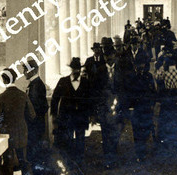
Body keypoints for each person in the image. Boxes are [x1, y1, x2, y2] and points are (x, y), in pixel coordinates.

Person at [0, 68, 39, 175]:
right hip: (22, 134)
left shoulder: (1, 97)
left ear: (4, 80)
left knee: (8, 165)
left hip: (8, 136)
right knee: (24, 162)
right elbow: (32, 115)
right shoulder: (23, 95)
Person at [51, 58, 91, 166]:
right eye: (74, 69)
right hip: (66, 117)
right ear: (71, 69)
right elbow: (55, 99)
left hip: (81, 118)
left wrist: (90, 115)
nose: (76, 71)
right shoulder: (63, 81)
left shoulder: (86, 82)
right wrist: (54, 115)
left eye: (78, 69)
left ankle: (79, 162)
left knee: (80, 140)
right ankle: (68, 162)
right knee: (67, 139)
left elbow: (89, 100)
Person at [93, 38, 122, 168]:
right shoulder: (99, 71)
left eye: (111, 55)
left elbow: (125, 87)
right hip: (104, 108)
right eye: (106, 56)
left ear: (114, 55)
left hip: (118, 107)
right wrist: (98, 110)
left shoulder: (121, 69)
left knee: (116, 132)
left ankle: (114, 157)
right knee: (105, 134)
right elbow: (96, 91)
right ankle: (108, 160)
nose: (109, 58)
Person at [129, 58, 157, 162]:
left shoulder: (148, 76)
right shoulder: (131, 77)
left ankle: (142, 150)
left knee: (145, 130)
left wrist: (152, 104)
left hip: (146, 108)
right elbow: (129, 93)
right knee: (136, 131)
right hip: (136, 108)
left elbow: (153, 91)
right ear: (135, 65)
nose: (140, 66)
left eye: (142, 64)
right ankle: (139, 153)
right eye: (138, 64)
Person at [23, 59, 49, 166]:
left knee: (33, 154)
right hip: (38, 124)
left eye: (25, 69)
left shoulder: (35, 86)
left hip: (34, 126)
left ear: (32, 71)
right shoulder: (36, 83)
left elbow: (33, 108)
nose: (23, 72)